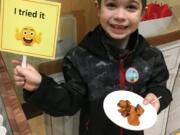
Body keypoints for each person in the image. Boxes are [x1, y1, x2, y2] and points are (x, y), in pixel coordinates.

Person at [12, 0, 172, 135]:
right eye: (111, 5)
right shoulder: (79, 57)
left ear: (142, 13)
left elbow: (160, 87)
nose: (120, 16)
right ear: (98, 8)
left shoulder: (151, 56)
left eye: (131, 7)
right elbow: (69, 100)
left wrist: (157, 97)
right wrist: (40, 86)